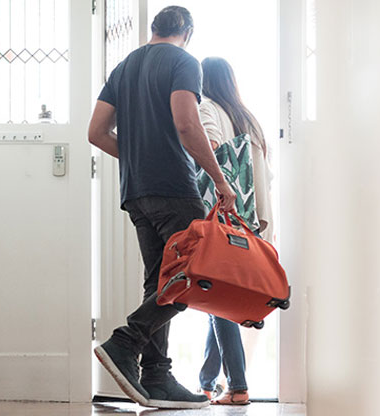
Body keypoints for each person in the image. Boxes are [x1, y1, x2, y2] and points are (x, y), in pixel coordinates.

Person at [87, 6, 237, 410]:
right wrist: (221, 181)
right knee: (193, 274)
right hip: (173, 186)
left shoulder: (124, 67)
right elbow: (187, 123)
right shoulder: (184, 62)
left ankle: (156, 377)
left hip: (136, 191)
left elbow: (96, 132)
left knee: (159, 282)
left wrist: (136, 158)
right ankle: (126, 342)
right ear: (187, 32)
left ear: (154, 29)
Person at [196, 57, 274, 405]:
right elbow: (264, 175)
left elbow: (210, 145)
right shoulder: (247, 117)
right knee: (221, 296)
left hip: (225, 215)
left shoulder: (207, 106)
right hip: (252, 219)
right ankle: (207, 380)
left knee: (219, 297)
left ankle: (238, 386)